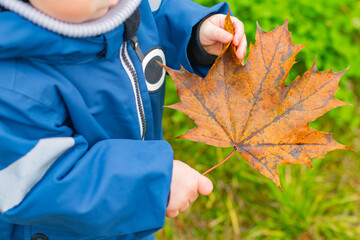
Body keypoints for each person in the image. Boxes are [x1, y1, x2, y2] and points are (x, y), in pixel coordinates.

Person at [0, 0, 247, 239]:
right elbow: (41, 183)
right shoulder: (11, 85)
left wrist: (195, 32)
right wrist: (151, 181)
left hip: (126, 214)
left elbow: (158, 13)